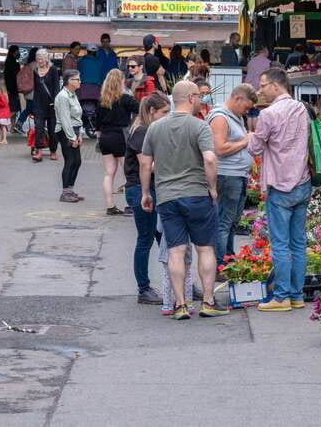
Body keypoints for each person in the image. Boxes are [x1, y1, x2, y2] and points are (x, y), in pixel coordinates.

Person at [139, 80, 229, 320]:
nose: (201, 99)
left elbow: (145, 163)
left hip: (168, 197)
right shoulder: (199, 127)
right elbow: (210, 159)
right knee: (205, 248)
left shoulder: (155, 128)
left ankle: (180, 305)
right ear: (190, 98)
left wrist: (146, 193)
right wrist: (212, 188)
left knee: (175, 252)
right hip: (198, 195)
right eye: (199, 95)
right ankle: (208, 302)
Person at [248, 68, 311, 312]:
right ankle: (297, 295)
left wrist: (251, 135)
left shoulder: (269, 114)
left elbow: (255, 148)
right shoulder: (302, 109)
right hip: (303, 181)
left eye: (263, 85)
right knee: (298, 243)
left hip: (280, 184)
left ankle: (282, 296)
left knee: (281, 244)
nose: (259, 89)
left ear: (276, 85)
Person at [124, 92, 170, 305]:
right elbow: (146, 165)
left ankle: (179, 281)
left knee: (165, 239)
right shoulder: (142, 131)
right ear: (152, 111)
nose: (167, 116)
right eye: (164, 112)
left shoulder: (145, 128)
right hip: (140, 189)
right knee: (147, 239)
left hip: (149, 188)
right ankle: (144, 289)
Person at [207, 84, 257, 273]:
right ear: (238, 99)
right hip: (227, 175)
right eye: (246, 107)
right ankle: (221, 265)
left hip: (237, 175)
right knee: (224, 222)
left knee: (232, 221)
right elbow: (219, 148)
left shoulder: (235, 116)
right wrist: (247, 139)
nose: (247, 110)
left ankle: (228, 259)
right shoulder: (220, 118)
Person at [96, 69, 139, 216]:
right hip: (120, 136)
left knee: (109, 173)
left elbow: (97, 124)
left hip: (105, 137)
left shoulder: (102, 100)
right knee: (129, 173)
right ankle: (130, 205)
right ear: (121, 82)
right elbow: (141, 108)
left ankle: (110, 206)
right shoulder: (125, 99)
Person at [55, 69, 84, 203]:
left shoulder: (73, 94)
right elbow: (65, 119)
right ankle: (65, 192)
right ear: (68, 81)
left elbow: (78, 116)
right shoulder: (63, 96)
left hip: (75, 130)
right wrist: (72, 137)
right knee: (70, 161)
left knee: (77, 161)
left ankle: (70, 190)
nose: (80, 81)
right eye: (77, 79)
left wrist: (80, 134)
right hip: (66, 131)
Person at [31, 49, 60, 163]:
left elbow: (56, 87)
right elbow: (36, 89)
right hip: (39, 105)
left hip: (51, 104)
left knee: (53, 130)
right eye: (38, 59)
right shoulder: (35, 71)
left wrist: (56, 102)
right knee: (39, 128)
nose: (40, 61)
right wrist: (33, 106)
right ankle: (39, 151)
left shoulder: (53, 70)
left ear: (47, 59)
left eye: (42, 59)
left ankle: (53, 151)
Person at [77, 43, 104, 138]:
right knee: (99, 108)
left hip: (83, 89)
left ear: (87, 51)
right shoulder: (99, 62)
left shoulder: (81, 61)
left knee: (78, 107)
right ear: (96, 52)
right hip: (97, 89)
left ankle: (79, 125)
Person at [244, 45, 271, 131]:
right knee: (256, 112)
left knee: (250, 113)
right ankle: (256, 133)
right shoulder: (268, 63)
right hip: (259, 88)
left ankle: (249, 132)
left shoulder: (251, 61)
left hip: (248, 87)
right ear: (265, 51)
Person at [14, 47, 38, 134]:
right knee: (33, 109)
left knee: (29, 109)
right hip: (34, 91)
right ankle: (20, 124)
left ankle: (19, 124)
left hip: (28, 91)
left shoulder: (28, 65)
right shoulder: (36, 65)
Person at [3, 45, 21, 117]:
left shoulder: (8, 62)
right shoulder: (14, 64)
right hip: (13, 90)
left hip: (10, 90)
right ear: (13, 52)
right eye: (17, 51)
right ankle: (4, 122)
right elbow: (14, 78)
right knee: (14, 110)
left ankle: (10, 127)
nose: (18, 53)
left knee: (13, 110)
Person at [0, 77, 10, 145]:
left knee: (3, 127)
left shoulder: (1, 95)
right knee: (0, 126)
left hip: (3, 113)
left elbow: (4, 103)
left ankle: (4, 139)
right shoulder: (3, 94)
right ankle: (1, 139)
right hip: (2, 113)